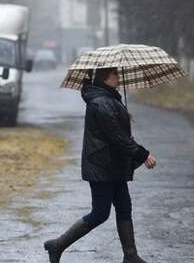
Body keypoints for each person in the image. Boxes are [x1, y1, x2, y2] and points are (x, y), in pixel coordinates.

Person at [44, 67, 157, 263]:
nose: (118, 78)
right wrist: (143, 154)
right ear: (106, 78)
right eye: (116, 75)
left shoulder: (108, 98)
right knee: (100, 213)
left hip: (113, 165)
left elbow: (117, 131)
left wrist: (124, 115)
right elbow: (116, 136)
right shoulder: (100, 102)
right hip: (102, 166)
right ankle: (57, 245)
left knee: (124, 207)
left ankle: (130, 255)